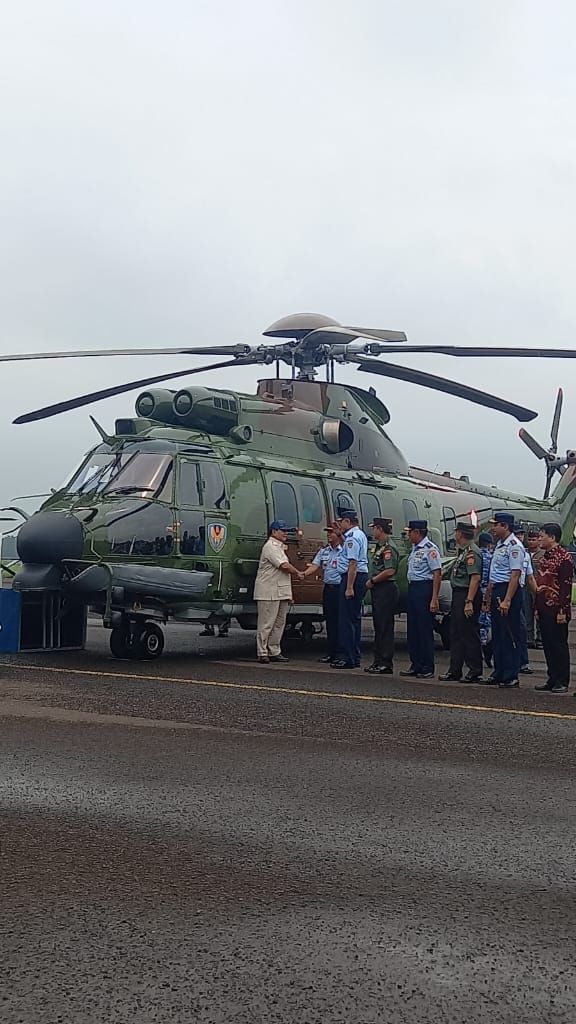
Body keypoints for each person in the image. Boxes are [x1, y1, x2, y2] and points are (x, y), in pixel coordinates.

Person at [483, 512, 525, 688]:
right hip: (497, 589)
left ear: (505, 526)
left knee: (509, 633)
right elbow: (494, 574)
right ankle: (499, 671)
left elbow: (515, 575)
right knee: (498, 633)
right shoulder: (499, 545)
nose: (493, 528)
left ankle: (511, 674)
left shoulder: (514, 546)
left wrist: (507, 600)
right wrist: (488, 597)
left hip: (509, 590)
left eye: (496, 525)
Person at [254, 520, 303, 663]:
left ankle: (274, 650)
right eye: (282, 531)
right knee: (266, 623)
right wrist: (298, 573)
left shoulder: (280, 547)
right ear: (274, 532)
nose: (285, 534)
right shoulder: (270, 546)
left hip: (280, 591)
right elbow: (284, 566)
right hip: (268, 591)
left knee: (279, 623)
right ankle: (262, 651)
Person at [439, 521, 483, 682]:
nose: (455, 534)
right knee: (456, 633)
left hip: (466, 594)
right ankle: (455, 669)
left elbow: (475, 578)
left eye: (456, 531)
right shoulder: (463, 552)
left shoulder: (472, 553)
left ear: (461, 534)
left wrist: (469, 601)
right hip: (458, 594)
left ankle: (475, 670)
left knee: (468, 633)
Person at [533, 523, 574, 694]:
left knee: (559, 645)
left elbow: (566, 587)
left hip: (557, 609)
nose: (539, 539)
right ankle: (552, 677)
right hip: (544, 607)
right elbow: (540, 583)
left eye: (542, 536)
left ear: (552, 537)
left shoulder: (563, 558)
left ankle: (562, 680)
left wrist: (563, 610)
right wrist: (537, 606)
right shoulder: (545, 558)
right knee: (548, 645)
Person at [400, 520, 442, 679]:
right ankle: (416, 664)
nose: (408, 535)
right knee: (413, 629)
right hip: (414, 588)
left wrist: (434, 598)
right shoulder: (414, 548)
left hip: (424, 588)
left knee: (424, 630)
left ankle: (427, 666)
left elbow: (437, 573)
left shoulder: (430, 549)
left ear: (417, 532)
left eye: (409, 532)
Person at [331, 507, 369, 669]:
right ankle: (354, 655)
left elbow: (353, 563)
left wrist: (349, 587)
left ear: (348, 521)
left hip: (352, 577)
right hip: (357, 577)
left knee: (347, 619)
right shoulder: (357, 535)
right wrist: (339, 533)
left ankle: (349, 657)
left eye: (342, 522)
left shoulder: (353, 537)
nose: (341, 524)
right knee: (353, 618)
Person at [302, 525, 344, 663]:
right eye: (328, 532)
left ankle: (341, 653)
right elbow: (315, 565)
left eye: (331, 532)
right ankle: (331, 653)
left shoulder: (344, 551)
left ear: (338, 534)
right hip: (329, 589)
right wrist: (303, 574)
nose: (328, 535)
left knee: (341, 622)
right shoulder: (324, 551)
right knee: (331, 622)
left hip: (340, 589)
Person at [365, 517, 399, 675]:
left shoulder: (388, 548)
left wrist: (373, 580)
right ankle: (378, 660)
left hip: (385, 588)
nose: (373, 531)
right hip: (378, 589)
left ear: (380, 529)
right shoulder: (379, 547)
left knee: (385, 626)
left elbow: (390, 571)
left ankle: (385, 662)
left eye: (374, 528)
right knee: (379, 626)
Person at [525, 529, 543, 648]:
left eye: (534, 539)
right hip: (526, 587)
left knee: (540, 613)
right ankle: (529, 638)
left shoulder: (543, 554)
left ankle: (540, 638)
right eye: (530, 539)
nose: (531, 542)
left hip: (539, 586)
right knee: (527, 613)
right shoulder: (524, 552)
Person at [478, 532, 494, 668]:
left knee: (477, 623)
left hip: (475, 591)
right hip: (487, 592)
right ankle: (487, 652)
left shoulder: (475, 555)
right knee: (486, 624)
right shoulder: (491, 557)